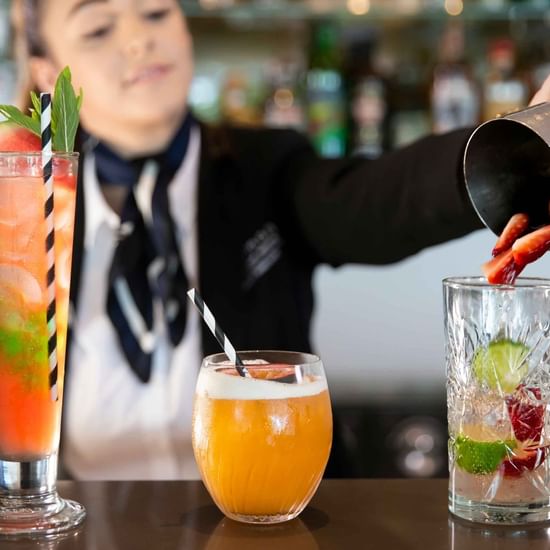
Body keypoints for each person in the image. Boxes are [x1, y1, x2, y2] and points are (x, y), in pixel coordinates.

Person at [10, 0, 550, 481]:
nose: (138, 38)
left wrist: (519, 145)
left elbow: (380, 201)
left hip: (270, 520)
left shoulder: (265, 168)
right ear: (46, 70)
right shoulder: (26, 207)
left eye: (156, 13)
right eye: (98, 27)